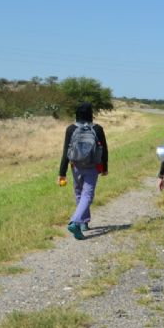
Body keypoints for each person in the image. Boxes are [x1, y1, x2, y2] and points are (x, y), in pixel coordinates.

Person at [58, 102, 108, 240]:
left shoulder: (70, 129)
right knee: (87, 195)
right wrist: (105, 168)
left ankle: (83, 222)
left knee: (80, 194)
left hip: (76, 167)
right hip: (93, 167)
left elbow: (65, 152)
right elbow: (104, 149)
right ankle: (75, 222)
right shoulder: (97, 129)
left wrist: (62, 173)